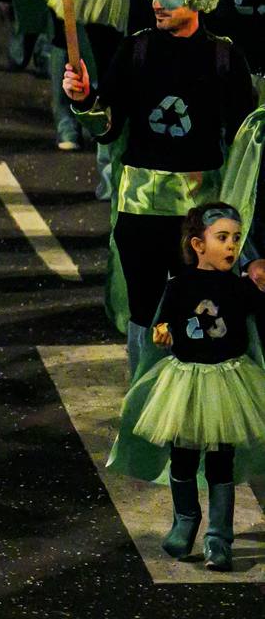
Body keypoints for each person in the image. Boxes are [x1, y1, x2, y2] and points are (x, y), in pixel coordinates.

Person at [65, 0, 257, 373]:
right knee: (144, 312)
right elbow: (109, 126)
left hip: (197, 216)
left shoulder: (225, 57)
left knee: (197, 309)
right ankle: (142, 393)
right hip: (140, 209)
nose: (156, 3)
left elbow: (246, 141)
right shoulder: (136, 50)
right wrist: (82, 101)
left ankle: (188, 403)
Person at [108, 203, 265, 572]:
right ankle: (185, 522)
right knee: (183, 454)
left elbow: (257, 312)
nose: (231, 246)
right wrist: (163, 331)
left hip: (228, 380)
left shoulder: (239, 287)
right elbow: (164, 320)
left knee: (221, 461)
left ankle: (219, 538)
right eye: (222, 238)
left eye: (237, 239)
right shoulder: (179, 285)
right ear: (198, 244)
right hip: (188, 381)